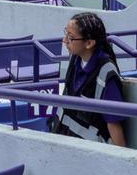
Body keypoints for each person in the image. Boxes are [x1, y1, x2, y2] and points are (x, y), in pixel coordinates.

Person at [51, 12, 126, 147]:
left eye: (70, 37)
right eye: (65, 33)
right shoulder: (75, 59)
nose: (64, 40)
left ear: (89, 43)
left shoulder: (106, 74)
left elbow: (113, 124)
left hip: (90, 154)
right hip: (65, 144)